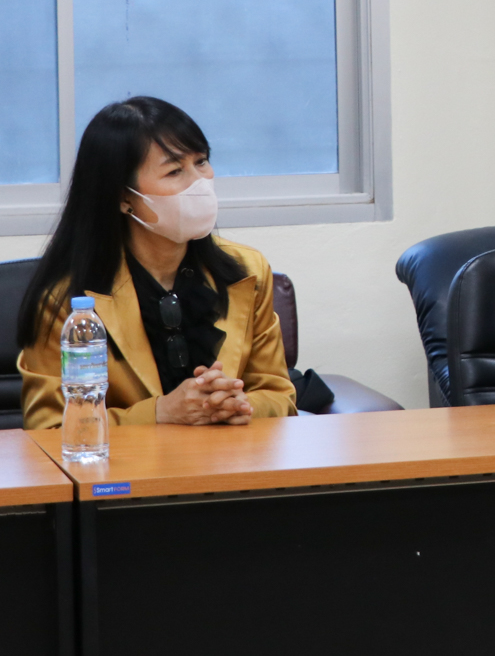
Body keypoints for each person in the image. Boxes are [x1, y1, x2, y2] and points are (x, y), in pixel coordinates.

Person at [16, 97, 296, 429]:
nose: (199, 183)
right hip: (129, 463)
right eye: (175, 171)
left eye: (202, 162)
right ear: (124, 196)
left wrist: (238, 405)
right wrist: (160, 413)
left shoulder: (247, 271)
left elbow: (279, 395)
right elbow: (49, 428)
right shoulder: (66, 299)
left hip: (231, 457)